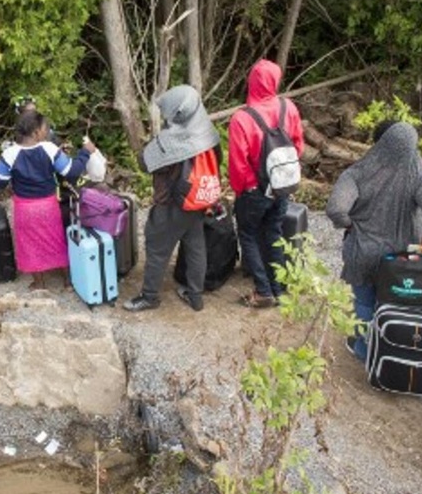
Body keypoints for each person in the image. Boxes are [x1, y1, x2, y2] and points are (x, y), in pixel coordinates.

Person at [327, 121, 422, 361]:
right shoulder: (420, 175)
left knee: (364, 301)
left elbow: (336, 209)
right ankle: (391, 347)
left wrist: (350, 226)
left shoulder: (357, 172)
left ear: (378, 144)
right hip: (403, 256)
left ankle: (364, 349)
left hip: (363, 251)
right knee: (396, 301)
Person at [124, 85, 222, 313]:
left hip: (170, 205)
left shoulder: (171, 141)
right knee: (196, 248)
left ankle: (149, 297)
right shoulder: (209, 134)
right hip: (197, 201)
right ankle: (195, 295)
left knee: (157, 250)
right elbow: (218, 161)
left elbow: (144, 162)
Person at [228, 59, 304, 308]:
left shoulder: (242, 118)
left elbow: (238, 163)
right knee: (274, 232)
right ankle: (280, 289)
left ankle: (263, 291)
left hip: (254, 189)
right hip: (281, 186)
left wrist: (244, 189)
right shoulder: (288, 107)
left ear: (251, 82)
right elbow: (298, 147)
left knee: (248, 235)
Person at [0, 109, 95, 290]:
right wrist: (84, 153)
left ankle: (39, 283)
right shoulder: (49, 149)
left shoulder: (9, 154)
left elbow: (0, 183)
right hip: (47, 205)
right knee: (56, 239)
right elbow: (71, 172)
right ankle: (67, 281)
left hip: (24, 207)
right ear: (35, 132)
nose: (47, 131)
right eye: (44, 128)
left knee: (29, 243)